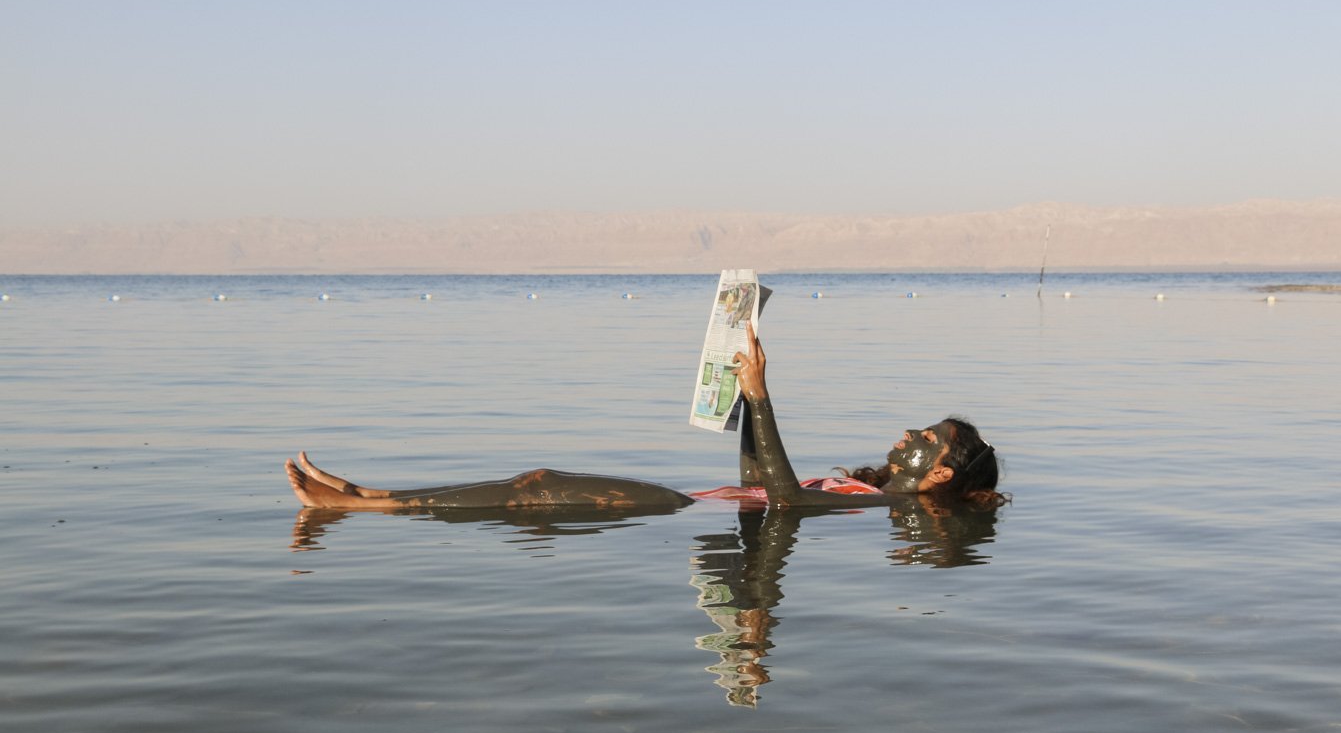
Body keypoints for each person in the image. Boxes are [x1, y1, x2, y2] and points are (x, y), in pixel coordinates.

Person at [284, 323, 1007, 511]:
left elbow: (783, 505)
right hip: (692, 499)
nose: (910, 435)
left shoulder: (872, 506)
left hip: (673, 510)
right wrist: (744, 397)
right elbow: (761, 485)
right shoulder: (860, 489)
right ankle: (366, 497)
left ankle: (363, 505)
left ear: (939, 472)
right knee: (534, 478)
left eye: (928, 438)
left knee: (537, 484)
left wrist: (762, 395)